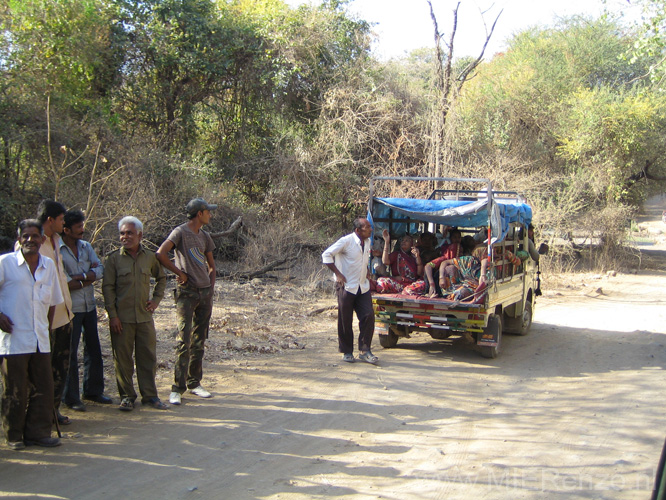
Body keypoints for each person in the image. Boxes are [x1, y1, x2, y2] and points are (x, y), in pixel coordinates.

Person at [0, 220, 64, 449]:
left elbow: (53, 302)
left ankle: (37, 433)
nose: (30, 240)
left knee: (44, 387)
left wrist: (46, 329)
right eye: (25, 236)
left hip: (40, 339)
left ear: (42, 239)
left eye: (35, 236)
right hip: (14, 339)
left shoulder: (48, 266)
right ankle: (13, 436)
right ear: (18, 239)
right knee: (14, 389)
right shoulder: (5, 263)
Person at [102, 217, 168, 411]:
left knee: (147, 357)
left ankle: (150, 396)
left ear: (140, 235)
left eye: (129, 233)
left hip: (144, 318)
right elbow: (108, 289)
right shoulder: (114, 259)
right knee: (122, 359)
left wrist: (155, 301)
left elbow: (162, 279)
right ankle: (127, 396)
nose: (125, 237)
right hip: (121, 320)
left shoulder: (150, 257)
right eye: (122, 233)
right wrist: (113, 316)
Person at [156, 198, 217, 405]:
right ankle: (177, 388)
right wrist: (179, 273)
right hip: (186, 293)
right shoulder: (180, 232)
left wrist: (210, 288)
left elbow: (211, 266)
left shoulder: (205, 236)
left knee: (200, 339)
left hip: (204, 293)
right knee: (184, 340)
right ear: (199, 214)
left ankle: (194, 383)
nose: (210, 215)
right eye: (208, 211)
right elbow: (161, 254)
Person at [60, 210, 112, 411]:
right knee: (70, 353)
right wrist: (86, 277)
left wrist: (79, 278)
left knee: (93, 348)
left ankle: (93, 391)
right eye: (79, 227)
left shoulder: (86, 246)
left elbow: (99, 270)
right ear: (66, 230)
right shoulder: (57, 250)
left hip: (89, 306)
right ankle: (71, 397)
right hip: (70, 308)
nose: (83, 230)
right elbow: (65, 283)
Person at [35, 200, 74, 426]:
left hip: (64, 314)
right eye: (61, 219)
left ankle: (53, 410)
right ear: (50, 220)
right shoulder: (33, 242)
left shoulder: (57, 241)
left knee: (61, 366)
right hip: (44, 317)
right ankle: (39, 414)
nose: (63, 223)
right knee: (43, 367)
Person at [322, 217, 378, 364]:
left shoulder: (367, 242)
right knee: (345, 319)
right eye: (367, 227)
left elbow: (362, 259)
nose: (370, 229)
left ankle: (365, 350)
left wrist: (365, 269)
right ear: (358, 230)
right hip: (346, 286)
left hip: (362, 285)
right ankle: (347, 351)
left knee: (368, 316)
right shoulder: (346, 241)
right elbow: (326, 255)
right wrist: (338, 274)